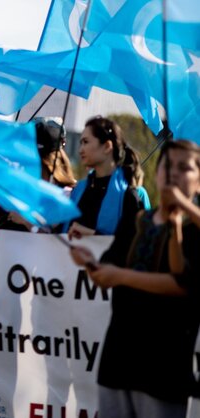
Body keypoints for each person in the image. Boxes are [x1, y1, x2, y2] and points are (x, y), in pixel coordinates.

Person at [69, 139, 200, 418]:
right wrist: (90, 263)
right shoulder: (137, 220)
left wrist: (121, 276)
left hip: (164, 369)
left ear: (198, 181)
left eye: (184, 167)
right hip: (118, 360)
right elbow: (106, 274)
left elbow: (183, 285)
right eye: (167, 165)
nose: (173, 172)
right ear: (157, 172)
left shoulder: (194, 229)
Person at [63, 116, 149, 237]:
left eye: (86, 142)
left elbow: (133, 245)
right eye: (80, 143)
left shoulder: (128, 198)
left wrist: (91, 234)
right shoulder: (79, 191)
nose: (80, 150)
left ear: (107, 146)